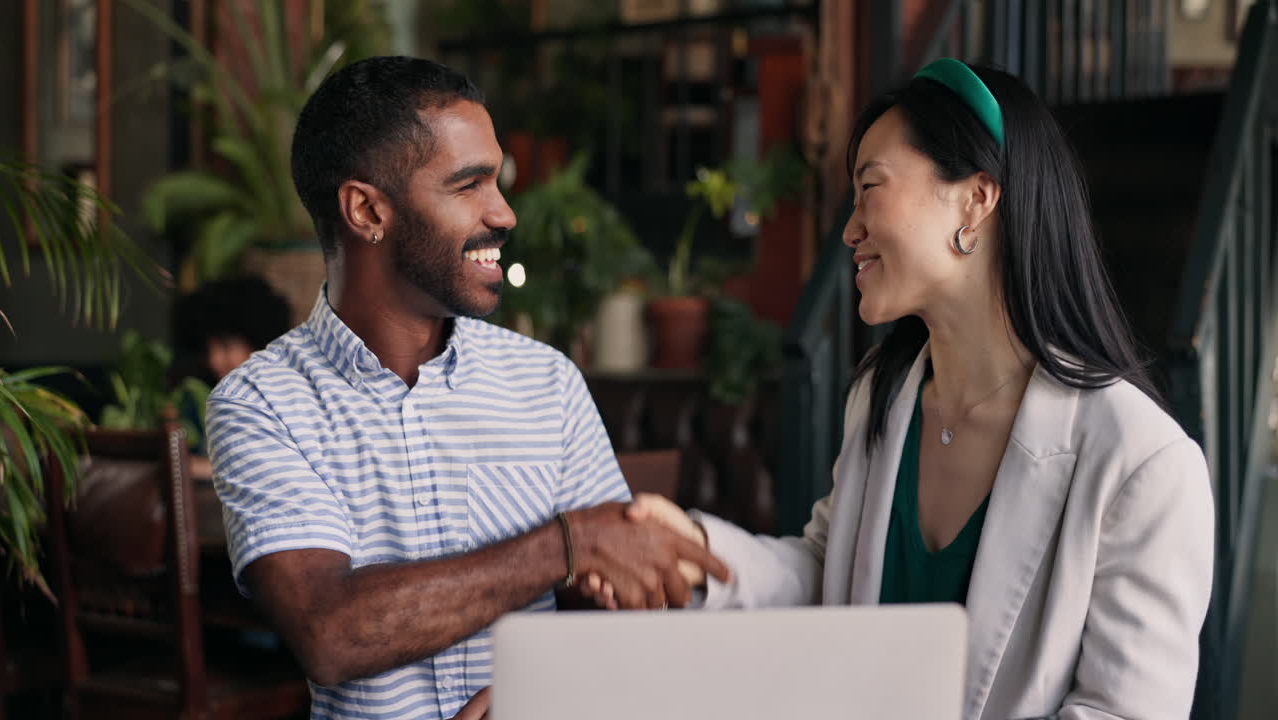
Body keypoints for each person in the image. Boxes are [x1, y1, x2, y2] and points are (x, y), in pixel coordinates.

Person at [617, 59, 1214, 719]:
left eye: (870, 187)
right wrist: (699, 553)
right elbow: (832, 574)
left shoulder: (1143, 464)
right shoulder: (882, 396)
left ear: (976, 199)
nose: (849, 229)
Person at [205, 56, 729, 720]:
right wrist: (566, 544)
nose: (504, 213)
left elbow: (618, 601)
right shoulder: (261, 403)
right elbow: (329, 631)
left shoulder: (547, 383)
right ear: (366, 209)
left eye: (497, 181)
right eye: (470, 184)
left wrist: (545, 690)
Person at [175, 274, 293, 479]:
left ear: (259, 344)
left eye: (225, 347)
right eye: (208, 349)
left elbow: (273, 472)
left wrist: (192, 467)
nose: (214, 360)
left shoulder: (285, 402)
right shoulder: (198, 398)